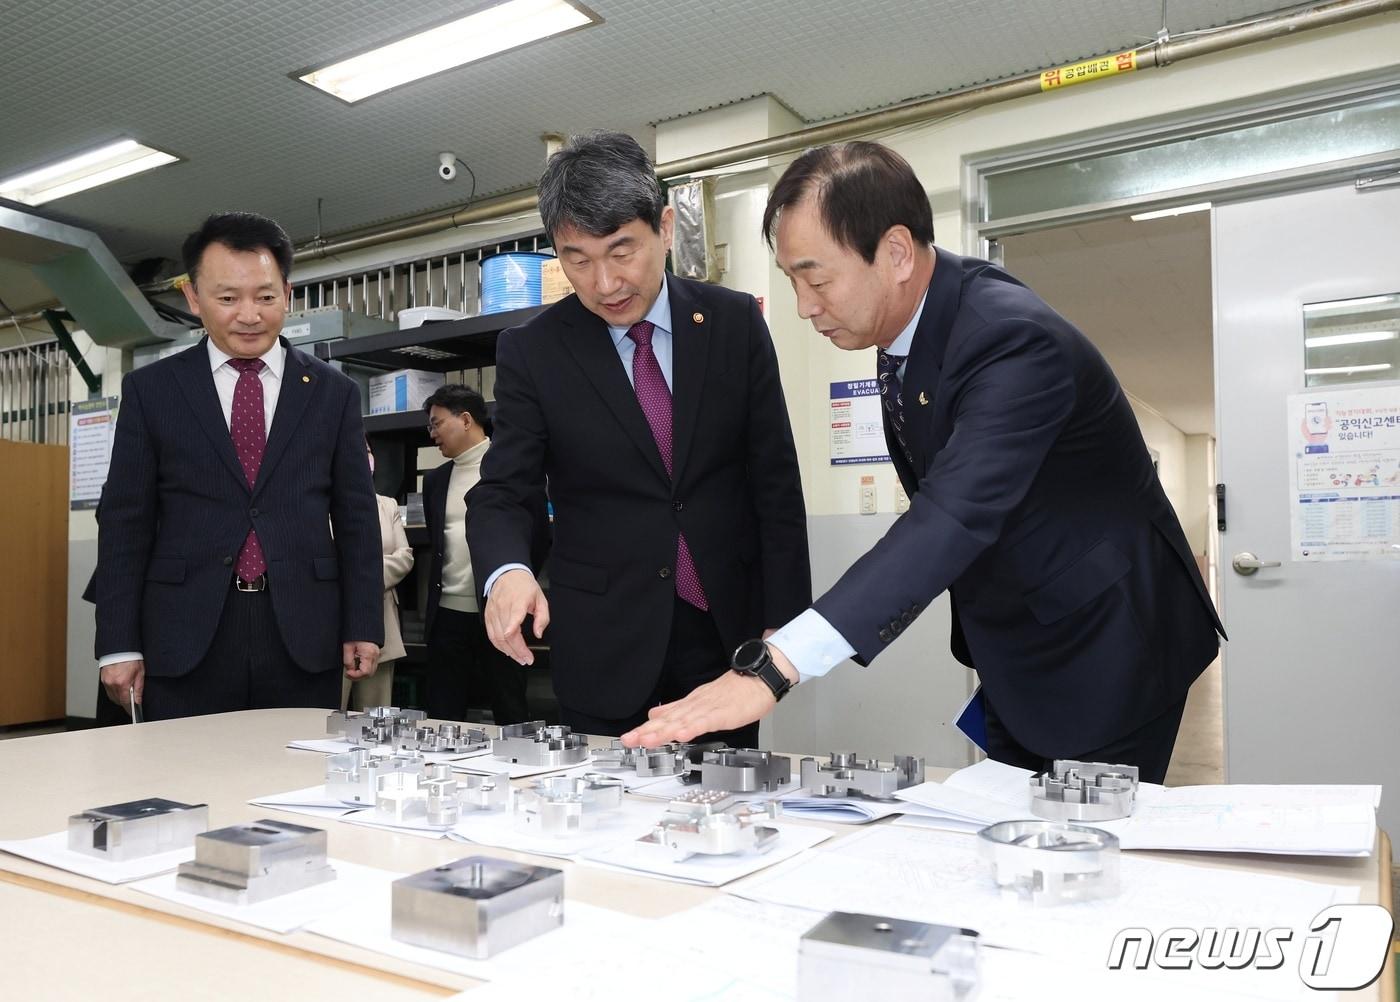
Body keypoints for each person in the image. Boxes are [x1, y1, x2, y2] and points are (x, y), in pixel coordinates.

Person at [625, 142, 1225, 783]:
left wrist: (780, 662)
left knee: (1086, 845)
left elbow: (951, 514)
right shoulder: (909, 331)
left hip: (1106, 640)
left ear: (897, 253)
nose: (804, 306)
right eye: (794, 281)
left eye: (817, 279)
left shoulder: (1011, 340)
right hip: (1021, 642)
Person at [467, 131, 811, 747]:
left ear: (665, 226)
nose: (603, 283)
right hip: (604, 640)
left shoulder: (733, 324)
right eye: (577, 259)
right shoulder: (534, 351)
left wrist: (785, 638)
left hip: (725, 636)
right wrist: (508, 570)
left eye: (621, 250)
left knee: (725, 818)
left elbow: (775, 485)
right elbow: (503, 491)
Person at [95, 211, 383, 720]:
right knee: (184, 785)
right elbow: (124, 520)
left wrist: (363, 622)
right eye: (228, 298)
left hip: (301, 629)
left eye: (266, 297)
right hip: (184, 631)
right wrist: (118, 644)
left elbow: (357, 518)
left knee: (294, 782)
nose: (249, 314)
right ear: (194, 298)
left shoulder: (333, 393)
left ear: (288, 294)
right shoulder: (153, 391)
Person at [421, 384, 534, 724]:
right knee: (443, 713)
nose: (433, 434)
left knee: (509, 707)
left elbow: (536, 536)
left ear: (466, 419)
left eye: (437, 423)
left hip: (501, 612)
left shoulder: (510, 468)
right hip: (447, 615)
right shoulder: (436, 480)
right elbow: (437, 545)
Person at [342, 440, 414, 711]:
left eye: (368, 451)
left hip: (382, 622)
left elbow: (405, 556)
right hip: (334, 626)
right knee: (325, 718)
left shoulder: (387, 505)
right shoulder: (320, 505)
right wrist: (368, 570)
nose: (364, 458)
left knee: (375, 718)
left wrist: (359, 574)